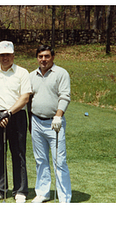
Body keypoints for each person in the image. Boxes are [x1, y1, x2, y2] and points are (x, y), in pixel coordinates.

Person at [0, 41, 31, 203]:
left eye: (8, 55)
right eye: (2, 55)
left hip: (16, 116)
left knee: (18, 153)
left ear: (13, 55)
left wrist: (8, 113)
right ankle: (0, 188)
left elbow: (25, 97)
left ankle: (20, 190)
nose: (5, 58)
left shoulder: (22, 73)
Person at [29, 45, 72, 203]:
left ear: (53, 57)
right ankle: (43, 192)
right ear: (37, 58)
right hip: (36, 121)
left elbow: (65, 96)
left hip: (55, 123)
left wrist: (58, 116)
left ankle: (64, 198)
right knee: (40, 160)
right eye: (40, 56)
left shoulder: (61, 73)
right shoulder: (32, 75)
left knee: (59, 161)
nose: (43, 59)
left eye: (47, 56)